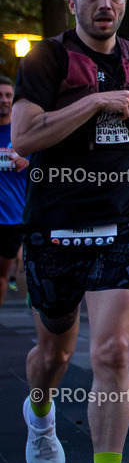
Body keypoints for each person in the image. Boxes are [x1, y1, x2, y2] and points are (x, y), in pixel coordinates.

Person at [12, 0, 129, 463]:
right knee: (53, 354)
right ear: (72, 0)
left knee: (110, 352)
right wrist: (95, 101)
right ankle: (40, 414)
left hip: (122, 219)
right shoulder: (47, 58)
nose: (106, 5)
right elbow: (25, 139)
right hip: (55, 223)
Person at [0, 76, 29, 307]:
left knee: (1, 277)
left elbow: (41, 164)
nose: (4, 100)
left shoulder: (21, 132)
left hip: (12, 218)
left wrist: (26, 161)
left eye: (8, 95)